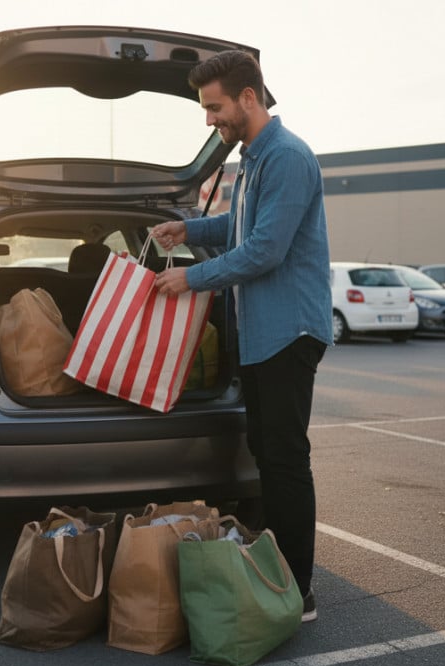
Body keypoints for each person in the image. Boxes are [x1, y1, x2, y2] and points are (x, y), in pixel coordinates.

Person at [150, 49, 332, 623]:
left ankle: (298, 592)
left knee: (284, 460)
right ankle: (275, 574)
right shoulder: (253, 160)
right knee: (267, 458)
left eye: (215, 106)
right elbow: (239, 227)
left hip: (289, 332)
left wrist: (191, 277)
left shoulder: (288, 157)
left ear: (248, 97)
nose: (210, 120)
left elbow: (264, 249)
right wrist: (190, 227)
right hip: (260, 336)